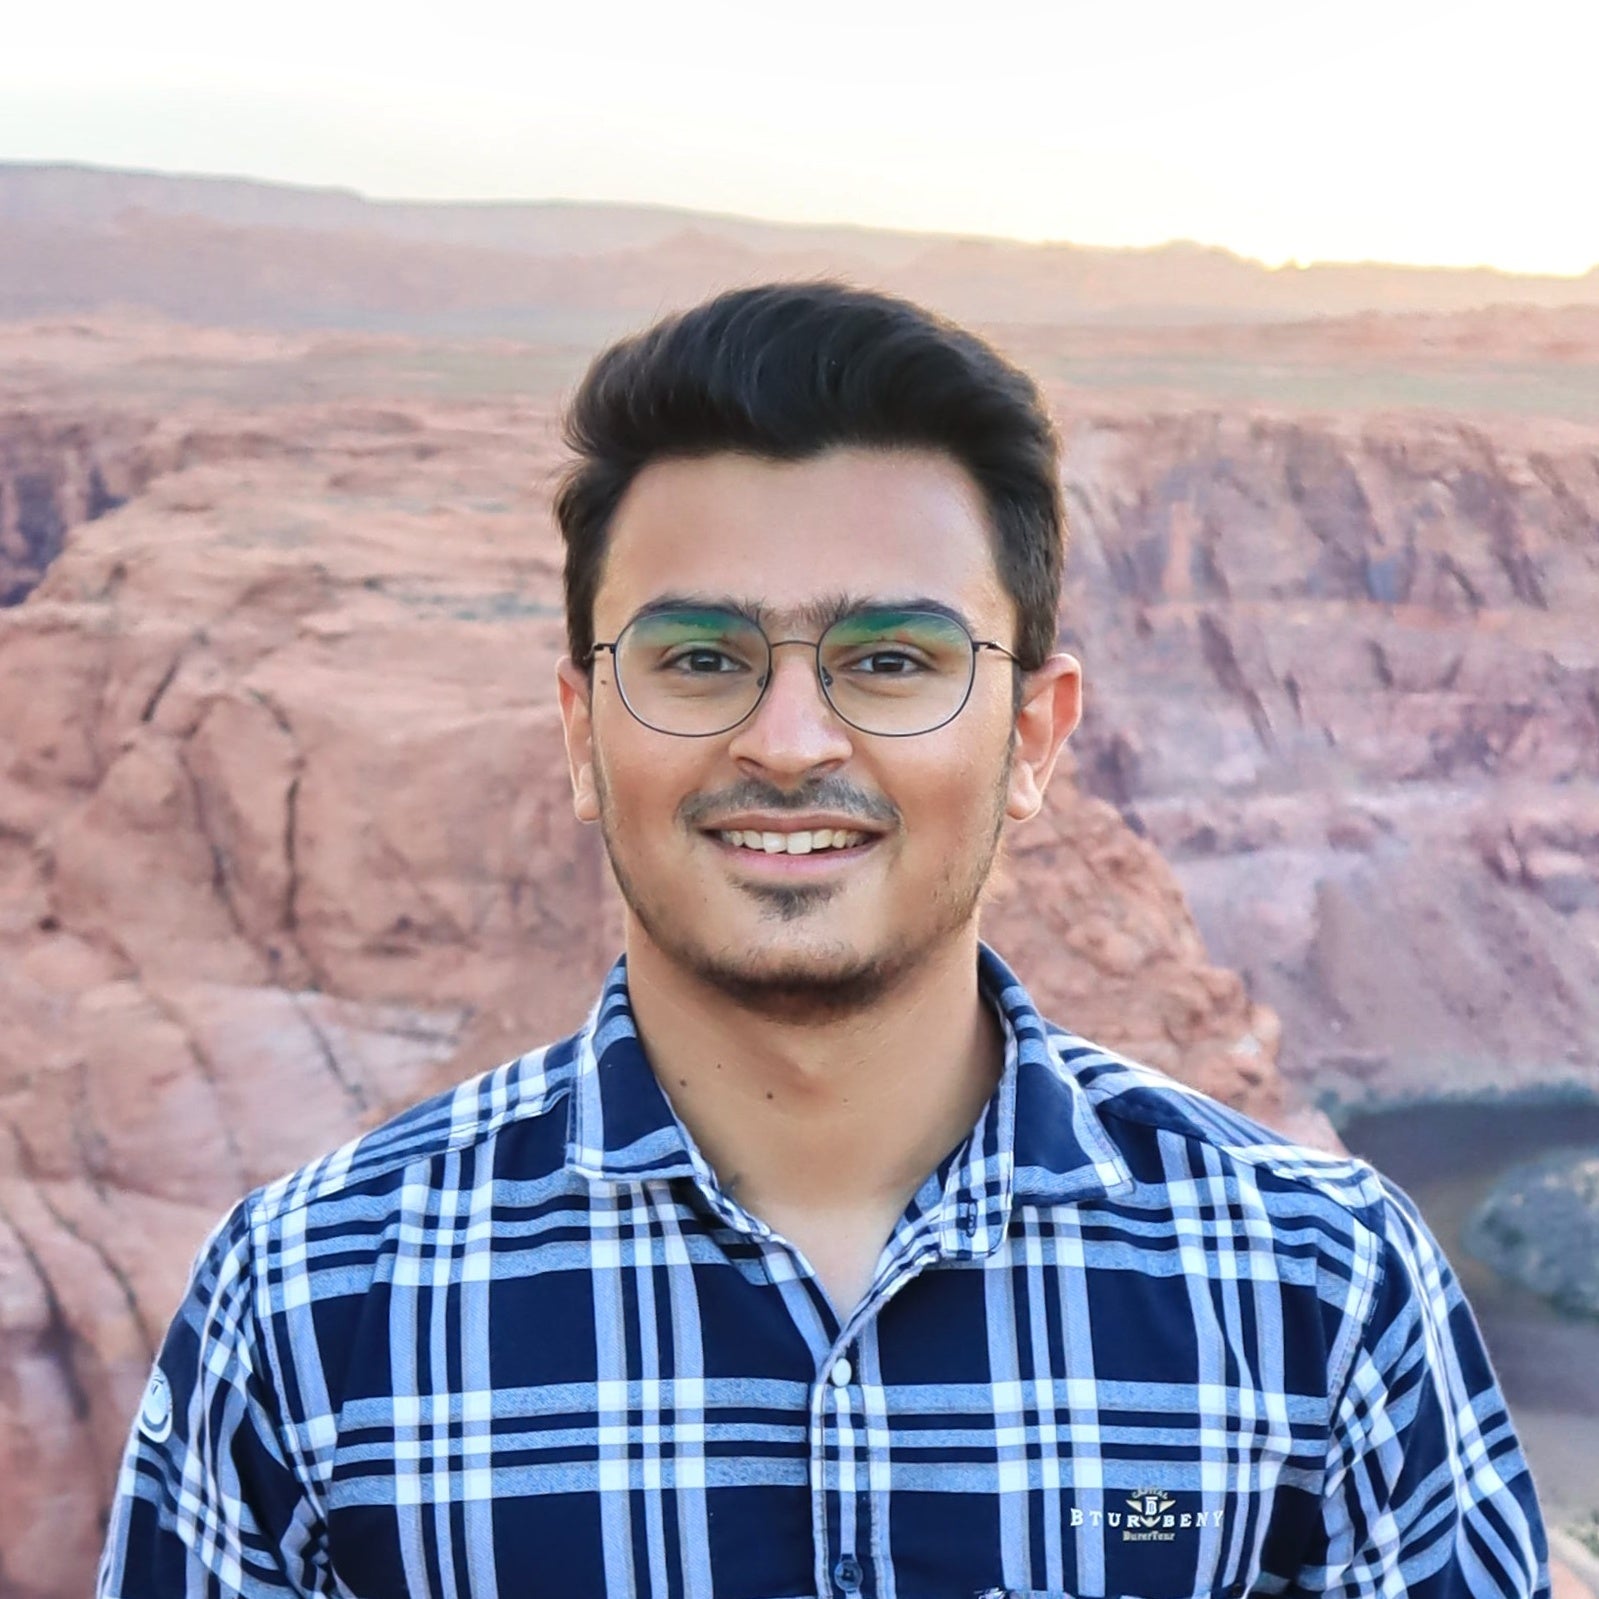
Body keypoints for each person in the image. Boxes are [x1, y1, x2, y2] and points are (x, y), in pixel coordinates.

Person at [99, 281, 1549, 1599]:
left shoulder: (1319, 1288)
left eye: (892, 662)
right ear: (581, 732)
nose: (789, 744)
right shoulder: (309, 1311)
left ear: (1034, 737)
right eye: (702, 660)